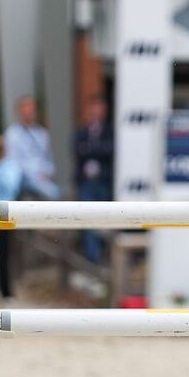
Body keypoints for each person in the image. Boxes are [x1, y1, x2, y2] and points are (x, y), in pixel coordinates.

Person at [72, 98, 114, 263]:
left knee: (104, 217)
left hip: (103, 180)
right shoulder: (82, 130)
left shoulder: (109, 130)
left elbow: (110, 150)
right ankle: (92, 256)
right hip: (86, 182)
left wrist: (89, 149)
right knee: (86, 216)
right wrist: (97, 149)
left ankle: (103, 254)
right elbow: (76, 150)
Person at [3, 95, 61, 200]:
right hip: (24, 179)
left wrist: (49, 172)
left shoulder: (42, 133)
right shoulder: (12, 134)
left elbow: (48, 158)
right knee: (53, 193)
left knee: (56, 192)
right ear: (19, 112)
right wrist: (35, 175)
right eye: (24, 109)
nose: (28, 112)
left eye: (31, 109)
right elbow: (12, 162)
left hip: (43, 177)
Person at [0, 133, 22, 299]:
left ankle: (6, 291)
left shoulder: (9, 166)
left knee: (3, 255)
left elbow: (10, 187)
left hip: (4, 215)